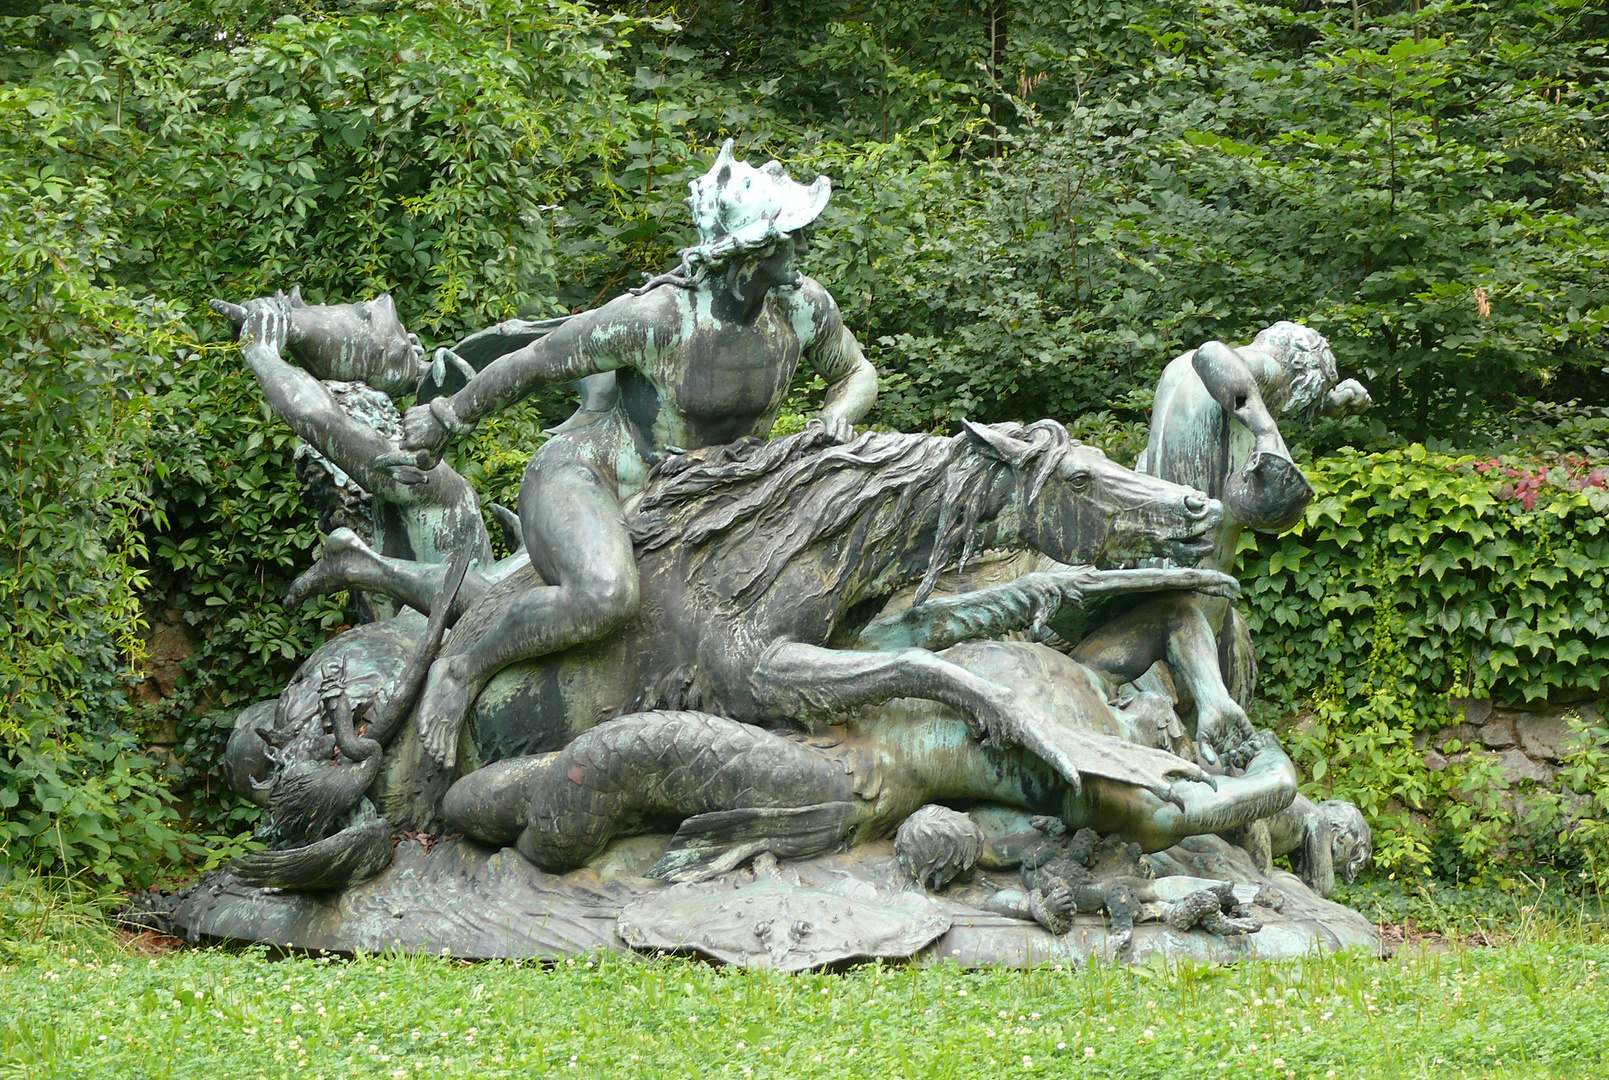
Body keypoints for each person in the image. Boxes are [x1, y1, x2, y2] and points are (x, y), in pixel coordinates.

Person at [381, 141, 879, 764]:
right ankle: (460, 668)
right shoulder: (657, 319)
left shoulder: (803, 308)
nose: (803, 250)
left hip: (709, 490)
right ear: (748, 253)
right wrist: (447, 415)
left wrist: (836, 416)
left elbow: (858, 374)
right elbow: (537, 362)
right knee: (606, 593)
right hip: (590, 474)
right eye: (790, 238)